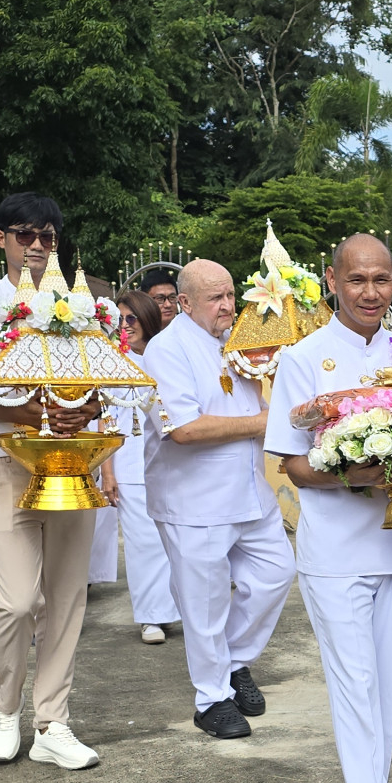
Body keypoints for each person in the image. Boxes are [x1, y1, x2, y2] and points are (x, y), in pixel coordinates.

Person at [266, 234, 392, 783]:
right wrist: (358, 473)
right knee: (355, 687)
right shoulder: (303, 360)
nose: (371, 292)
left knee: (385, 687)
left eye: (383, 279)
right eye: (357, 279)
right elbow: (297, 467)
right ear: (332, 282)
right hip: (336, 553)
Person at [0, 192, 105, 771]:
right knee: (16, 601)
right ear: (1, 239)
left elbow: (103, 381)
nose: (36, 247)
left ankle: (53, 722)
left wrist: (81, 413)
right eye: (24, 235)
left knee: (66, 596)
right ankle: (5, 704)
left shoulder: (83, 306)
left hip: (71, 458)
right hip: (6, 456)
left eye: (47, 237)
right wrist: (41, 413)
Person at [150, 260, 293, 740]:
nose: (228, 305)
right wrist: (267, 421)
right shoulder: (165, 350)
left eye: (231, 294)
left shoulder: (239, 343)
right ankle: (210, 699)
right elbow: (184, 429)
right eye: (215, 298)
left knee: (276, 575)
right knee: (205, 603)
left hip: (249, 491)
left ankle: (234, 663)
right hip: (194, 499)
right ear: (184, 303)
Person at [87, 291, 179, 645]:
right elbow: (106, 418)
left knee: (176, 542)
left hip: (172, 460)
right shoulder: (114, 362)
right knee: (145, 545)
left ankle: (178, 609)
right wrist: (107, 472)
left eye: (132, 319)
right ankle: (152, 617)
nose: (126, 326)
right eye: (120, 320)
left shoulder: (166, 356)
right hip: (128, 464)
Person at [139, 264, 180, 330]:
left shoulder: (187, 332)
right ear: (145, 301)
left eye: (172, 297)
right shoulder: (137, 335)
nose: (168, 305)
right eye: (160, 298)